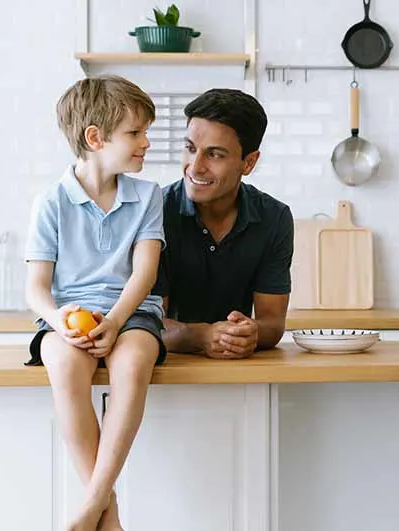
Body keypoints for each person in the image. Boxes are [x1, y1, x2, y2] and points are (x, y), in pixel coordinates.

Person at [25, 74, 166, 531]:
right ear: (96, 137)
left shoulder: (148, 195)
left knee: (133, 364)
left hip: (132, 313)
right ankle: (108, 513)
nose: (146, 142)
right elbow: (37, 289)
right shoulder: (50, 202)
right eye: (136, 132)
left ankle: (91, 508)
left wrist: (118, 319)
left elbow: (144, 273)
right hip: (68, 318)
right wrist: (57, 319)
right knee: (64, 366)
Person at [154, 88, 293, 358]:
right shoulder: (154, 213)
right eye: (190, 149)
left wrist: (251, 332)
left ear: (249, 163)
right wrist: (202, 336)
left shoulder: (275, 218)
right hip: (168, 371)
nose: (195, 167)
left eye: (215, 154)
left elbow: (273, 323)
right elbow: (148, 324)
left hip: (240, 371)